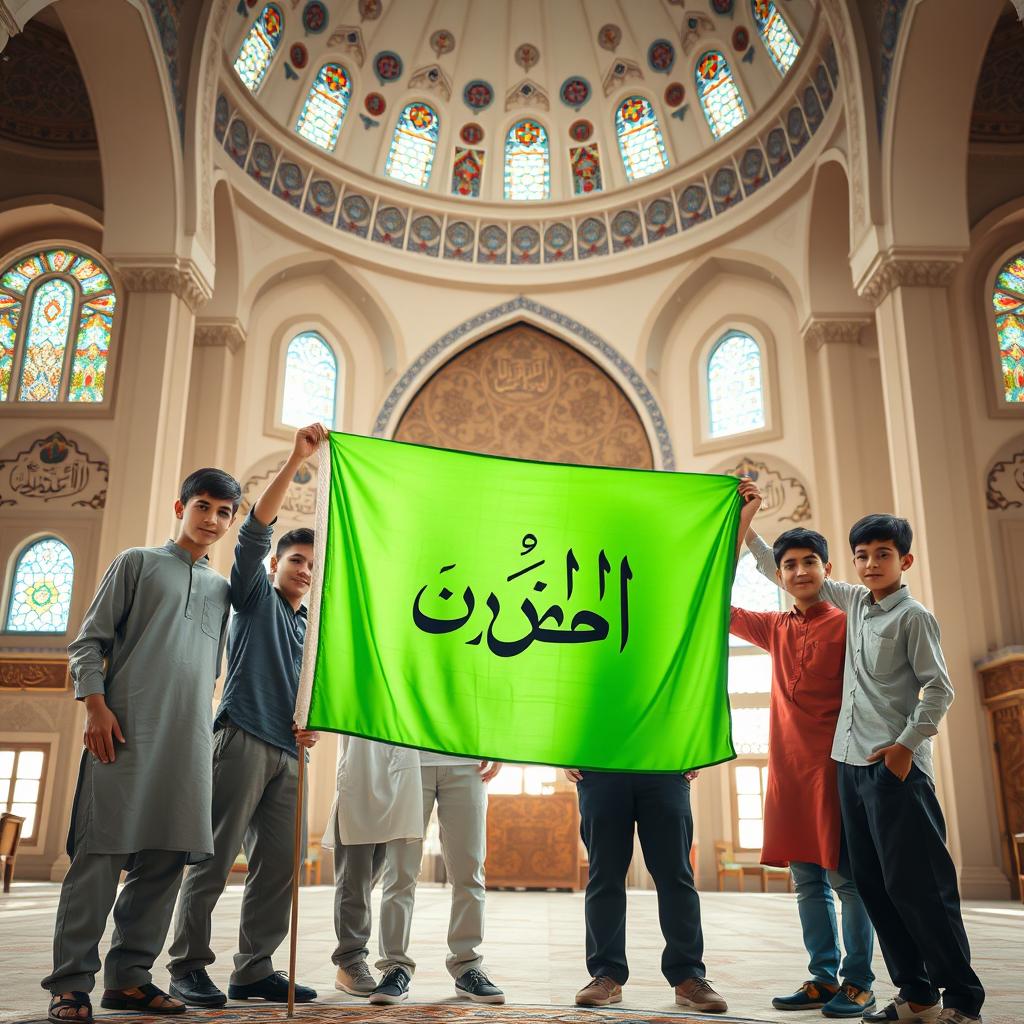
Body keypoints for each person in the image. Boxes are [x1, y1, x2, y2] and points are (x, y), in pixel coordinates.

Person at [746, 513, 984, 1024]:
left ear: (905, 561)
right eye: (863, 555)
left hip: (895, 769)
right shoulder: (853, 602)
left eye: (882, 554)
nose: (871, 564)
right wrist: (744, 524)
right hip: (849, 767)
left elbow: (940, 688)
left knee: (920, 890)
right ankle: (917, 995)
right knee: (876, 888)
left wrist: (904, 746)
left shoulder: (912, 616)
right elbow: (777, 568)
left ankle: (963, 1000)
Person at [42, 468, 241, 1023]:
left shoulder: (221, 589)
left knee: (165, 860)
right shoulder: (137, 563)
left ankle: (129, 979)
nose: (212, 520)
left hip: (188, 743)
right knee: (99, 858)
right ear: (180, 507)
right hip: (125, 734)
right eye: (203, 506)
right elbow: (87, 643)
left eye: (224, 513)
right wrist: (95, 706)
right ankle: (70, 984)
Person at [562, 481, 762, 1015]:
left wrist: (740, 516)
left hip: (664, 762)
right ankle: (605, 975)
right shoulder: (580, 592)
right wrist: (564, 746)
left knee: (675, 873)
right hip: (600, 763)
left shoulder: (673, 596)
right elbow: (560, 677)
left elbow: (713, 570)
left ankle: (689, 978)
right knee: (605, 873)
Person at [167, 424, 327, 1007]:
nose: (305, 569)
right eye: (297, 559)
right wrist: (296, 459)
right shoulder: (255, 598)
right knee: (211, 858)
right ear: (278, 563)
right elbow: (254, 531)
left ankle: (253, 970)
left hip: (290, 756)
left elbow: (315, 696)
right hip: (240, 739)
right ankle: (187, 965)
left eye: (314, 564)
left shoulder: (313, 631)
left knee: (279, 871)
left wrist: (315, 723)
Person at [730, 491, 875, 1018]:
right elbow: (715, 605)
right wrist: (743, 522)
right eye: (788, 565)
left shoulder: (850, 620)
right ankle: (821, 977)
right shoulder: (774, 627)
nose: (797, 571)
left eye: (808, 562)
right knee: (807, 881)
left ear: (826, 569)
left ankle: (859, 981)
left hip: (838, 768)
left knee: (848, 879)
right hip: (787, 773)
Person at [372, 754, 505, 1006]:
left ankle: (467, 965)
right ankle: (394, 965)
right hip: (408, 759)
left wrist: (496, 747)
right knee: (399, 872)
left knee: (470, 872)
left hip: (468, 760)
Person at [324, 737, 423, 999]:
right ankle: (349, 960)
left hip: (397, 775)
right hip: (360, 771)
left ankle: (358, 957)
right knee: (353, 880)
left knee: (368, 881)